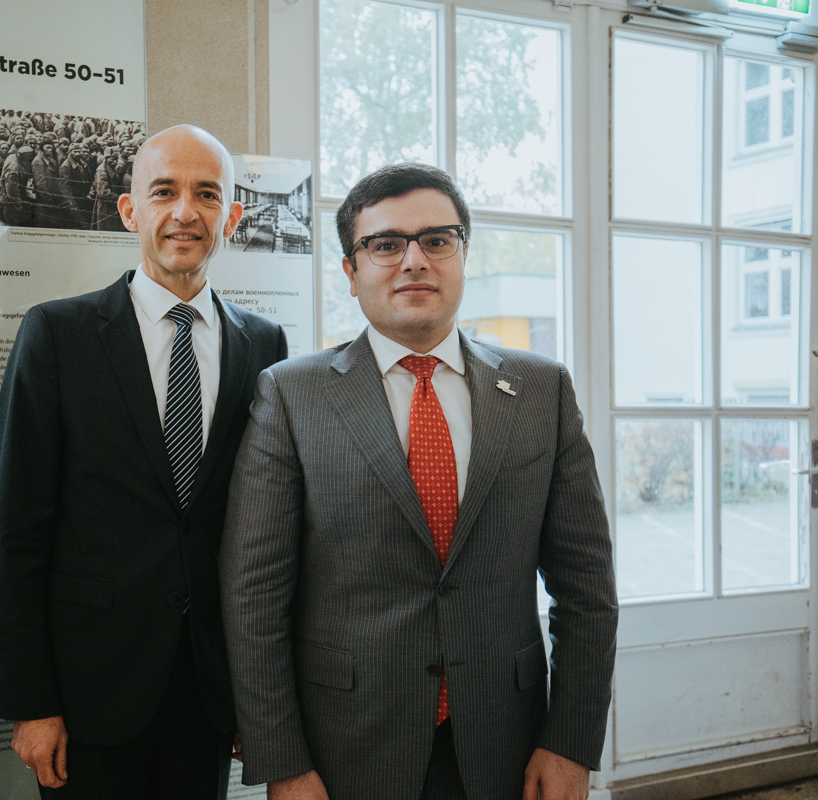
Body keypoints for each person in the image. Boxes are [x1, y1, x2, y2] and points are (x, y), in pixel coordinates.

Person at [220, 162, 617, 800]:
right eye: (385, 244)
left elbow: (587, 588)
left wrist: (569, 741)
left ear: (463, 255)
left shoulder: (542, 388)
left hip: (506, 740)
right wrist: (284, 763)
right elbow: (253, 599)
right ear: (350, 273)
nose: (414, 261)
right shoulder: (292, 395)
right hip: (345, 746)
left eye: (437, 239)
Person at [0, 124, 288, 799]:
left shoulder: (264, 345)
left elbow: (267, 533)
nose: (186, 212)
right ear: (130, 211)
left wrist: (261, 697)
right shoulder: (56, 336)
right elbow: (17, 533)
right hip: (88, 696)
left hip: (208, 694)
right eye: (165, 192)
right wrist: (31, 701)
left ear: (231, 218)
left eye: (207, 195)